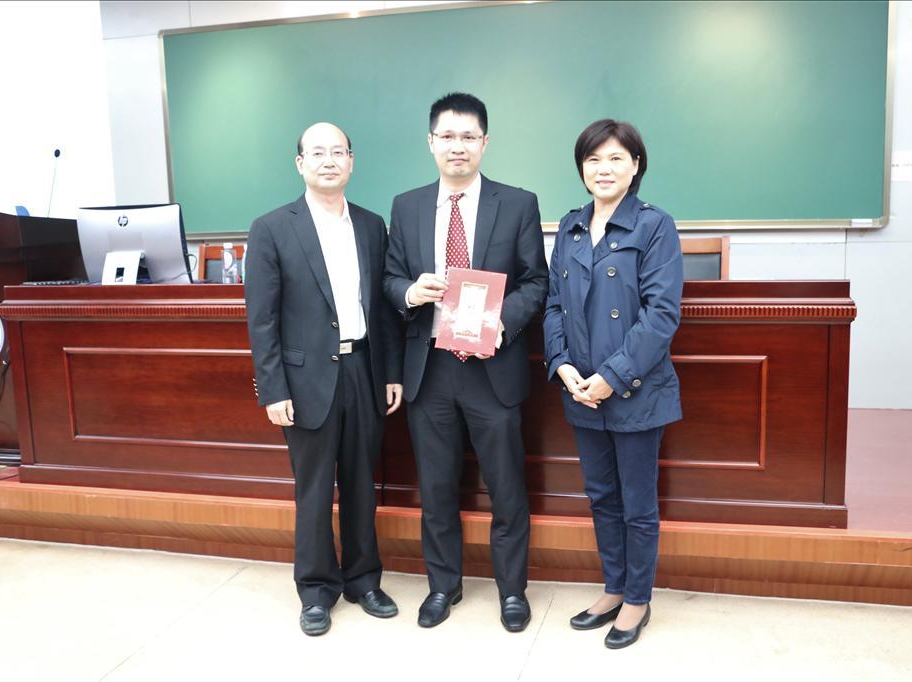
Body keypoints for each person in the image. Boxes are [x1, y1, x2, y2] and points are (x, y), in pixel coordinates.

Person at [383, 92, 548, 632]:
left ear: (485, 143)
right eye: (448, 136)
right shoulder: (406, 206)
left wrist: (501, 320)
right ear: (431, 142)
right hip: (429, 368)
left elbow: (536, 282)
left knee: (506, 488)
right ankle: (442, 585)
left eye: (469, 137)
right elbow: (388, 279)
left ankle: (512, 590)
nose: (458, 146)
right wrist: (410, 292)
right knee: (436, 488)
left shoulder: (517, 203)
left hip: (492, 367)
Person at [245, 122, 404, 636]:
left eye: (338, 152)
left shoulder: (372, 225)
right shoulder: (271, 228)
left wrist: (391, 373)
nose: (329, 160)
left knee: (361, 484)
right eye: (317, 153)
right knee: (314, 490)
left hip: (363, 369)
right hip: (303, 379)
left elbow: (383, 309)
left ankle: (364, 580)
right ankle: (315, 591)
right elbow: (262, 319)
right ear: (300, 164)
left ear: (352, 161)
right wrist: (273, 389)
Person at [543, 119, 683, 649]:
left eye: (616, 158)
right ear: (582, 168)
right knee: (601, 496)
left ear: (636, 165)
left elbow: (661, 316)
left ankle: (638, 599)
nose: (604, 169)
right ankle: (614, 587)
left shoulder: (654, 225)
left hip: (635, 390)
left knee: (637, 502)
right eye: (594, 159)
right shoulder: (571, 226)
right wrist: (562, 365)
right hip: (581, 389)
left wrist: (611, 377)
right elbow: (553, 306)